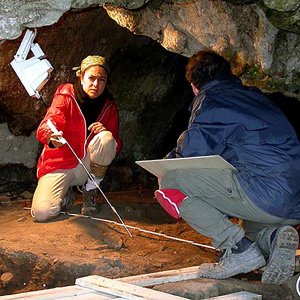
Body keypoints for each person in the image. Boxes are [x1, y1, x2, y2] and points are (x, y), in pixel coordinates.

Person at [154, 50, 300, 285]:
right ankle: (275, 237)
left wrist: (164, 161)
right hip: (294, 202)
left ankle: (236, 248)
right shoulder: (255, 96)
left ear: (194, 86)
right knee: (248, 221)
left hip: (266, 194)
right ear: (228, 74)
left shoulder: (212, 100)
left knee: (170, 179)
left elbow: (192, 152)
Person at [31, 55, 121, 221]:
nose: (96, 84)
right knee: (42, 213)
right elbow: (47, 124)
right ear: (81, 76)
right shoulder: (66, 96)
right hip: (60, 163)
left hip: (86, 166)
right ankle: (66, 195)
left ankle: (90, 189)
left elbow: (116, 143)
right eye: (91, 78)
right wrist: (51, 137)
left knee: (107, 138)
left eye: (102, 79)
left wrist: (104, 130)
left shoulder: (109, 104)